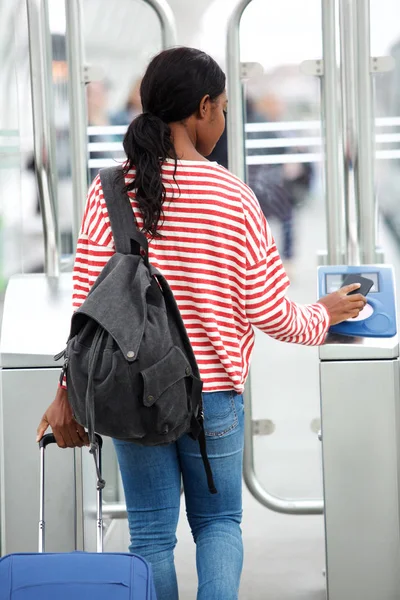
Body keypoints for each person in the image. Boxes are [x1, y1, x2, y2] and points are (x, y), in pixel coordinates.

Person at [36, 47, 366, 600]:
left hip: (134, 392)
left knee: (149, 537)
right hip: (214, 396)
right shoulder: (233, 196)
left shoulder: (109, 190)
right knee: (217, 525)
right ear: (203, 108)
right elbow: (274, 316)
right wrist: (324, 314)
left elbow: (86, 309)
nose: (225, 121)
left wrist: (68, 387)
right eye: (224, 109)